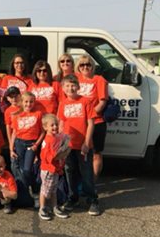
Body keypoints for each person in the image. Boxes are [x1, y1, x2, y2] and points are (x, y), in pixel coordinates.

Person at [57, 74, 100, 216]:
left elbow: (91, 123)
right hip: (69, 146)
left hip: (83, 146)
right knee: (70, 172)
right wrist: (62, 145)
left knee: (86, 173)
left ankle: (92, 199)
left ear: (78, 86)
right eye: (67, 85)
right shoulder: (63, 103)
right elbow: (61, 124)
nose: (71, 88)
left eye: (73, 85)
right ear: (63, 88)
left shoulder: (85, 102)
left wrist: (87, 143)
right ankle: (72, 198)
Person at [76, 55, 108, 180]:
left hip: (96, 122)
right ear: (78, 67)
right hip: (79, 123)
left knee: (95, 154)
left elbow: (102, 102)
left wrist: (89, 116)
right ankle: (80, 183)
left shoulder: (99, 80)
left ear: (92, 66)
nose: (85, 67)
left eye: (88, 64)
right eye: (82, 65)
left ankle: (93, 183)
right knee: (79, 154)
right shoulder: (75, 78)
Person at [9, 91, 45, 199]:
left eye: (31, 102)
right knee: (21, 169)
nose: (28, 104)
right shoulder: (17, 115)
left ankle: (34, 189)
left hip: (31, 144)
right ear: (21, 102)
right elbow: (14, 133)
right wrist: (11, 149)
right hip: (19, 143)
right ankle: (25, 193)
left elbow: (43, 131)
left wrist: (37, 145)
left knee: (27, 169)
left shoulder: (38, 114)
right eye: (26, 102)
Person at [38, 114, 71, 221]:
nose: (55, 127)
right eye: (52, 125)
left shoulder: (55, 137)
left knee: (53, 190)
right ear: (45, 127)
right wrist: (61, 154)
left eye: (56, 124)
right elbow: (46, 156)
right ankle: (42, 208)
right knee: (45, 190)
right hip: (48, 169)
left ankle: (54, 207)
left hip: (55, 169)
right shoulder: (48, 140)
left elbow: (63, 139)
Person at [2, 86, 22, 151]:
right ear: (7, 98)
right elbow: (8, 128)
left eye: (15, 96)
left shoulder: (25, 107)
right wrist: (10, 143)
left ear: (20, 95)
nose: (14, 99)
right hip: (15, 139)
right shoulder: (7, 111)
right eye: (11, 97)